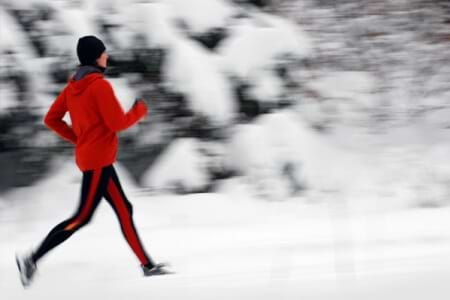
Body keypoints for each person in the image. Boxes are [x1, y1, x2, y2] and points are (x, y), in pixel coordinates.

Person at [16, 35, 170, 288]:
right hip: (97, 162)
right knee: (81, 217)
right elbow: (118, 123)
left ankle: (147, 265)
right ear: (95, 57)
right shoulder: (99, 86)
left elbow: (51, 119)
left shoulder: (72, 87)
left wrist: (79, 139)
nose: (106, 56)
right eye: (103, 53)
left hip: (97, 159)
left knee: (124, 209)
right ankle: (31, 259)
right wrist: (139, 111)